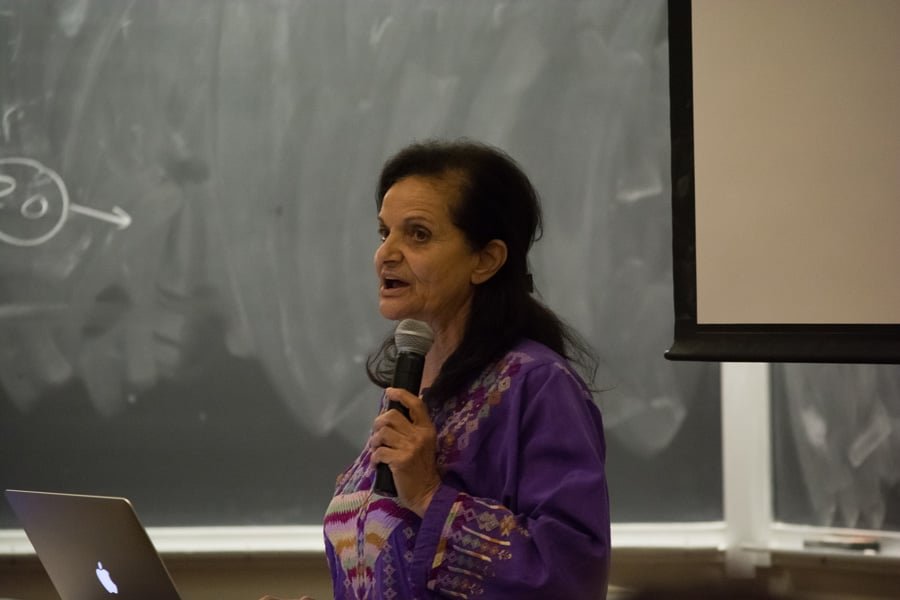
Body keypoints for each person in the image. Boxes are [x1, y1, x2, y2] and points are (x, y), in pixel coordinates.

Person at [264, 139, 610, 599]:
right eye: (384, 233)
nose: (386, 254)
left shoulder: (539, 386)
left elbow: (571, 578)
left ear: (486, 260)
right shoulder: (411, 386)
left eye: (418, 235)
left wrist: (429, 494)